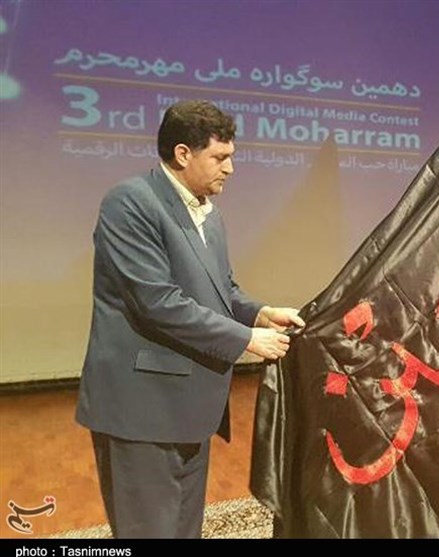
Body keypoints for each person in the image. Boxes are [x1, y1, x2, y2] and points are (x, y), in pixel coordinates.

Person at [76, 99, 305, 538]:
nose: (230, 169)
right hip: (143, 409)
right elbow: (157, 301)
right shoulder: (130, 203)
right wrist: (246, 339)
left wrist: (262, 313)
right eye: (220, 157)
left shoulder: (208, 214)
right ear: (183, 154)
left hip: (192, 407)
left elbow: (222, 290)